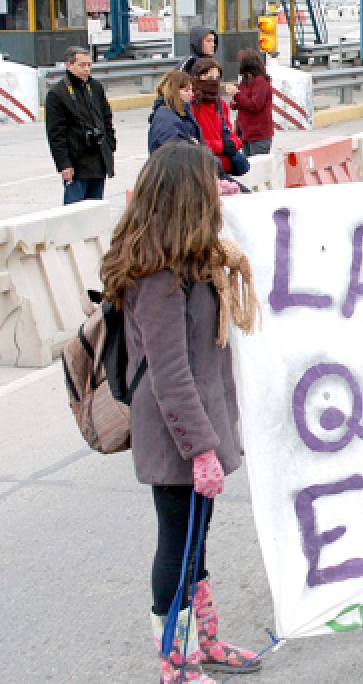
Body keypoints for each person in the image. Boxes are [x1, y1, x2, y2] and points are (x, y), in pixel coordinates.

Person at [99, 142, 263, 684]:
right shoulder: (159, 276)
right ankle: (175, 661)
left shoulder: (194, 260)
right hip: (177, 435)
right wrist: (201, 451)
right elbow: (170, 375)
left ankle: (205, 643)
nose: (222, 189)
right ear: (187, 195)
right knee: (178, 545)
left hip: (198, 428)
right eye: (212, 183)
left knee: (196, 542)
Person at [45, 46, 116, 204]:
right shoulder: (58, 94)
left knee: (95, 208)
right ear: (69, 65)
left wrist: (110, 145)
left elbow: (106, 118)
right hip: (76, 163)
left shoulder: (95, 87)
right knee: (74, 212)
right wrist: (64, 164)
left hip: (98, 159)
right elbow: (56, 134)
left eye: (89, 65)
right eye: (82, 65)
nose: (86, 69)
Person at [189, 58, 244, 194]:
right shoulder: (191, 106)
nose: (213, 81)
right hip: (205, 169)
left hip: (224, 168)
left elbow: (230, 133)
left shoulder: (220, 104)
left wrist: (234, 144)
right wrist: (221, 147)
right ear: (197, 78)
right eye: (208, 77)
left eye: (216, 77)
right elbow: (193, 142)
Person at [230, 49, 273, 156]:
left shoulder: (260, 81)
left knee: (257, 167)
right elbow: (237, 104)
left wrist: (237, 95)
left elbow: (255, 105)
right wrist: (234, 97)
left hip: (258, 135)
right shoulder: (245, 81)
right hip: (246, 133)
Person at [147, 70, 202, 154]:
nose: (191, 94)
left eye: (191, 90)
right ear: (174, 91)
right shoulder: (166, 119)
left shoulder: (182, 113)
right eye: (186, 90)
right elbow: (176, 154)